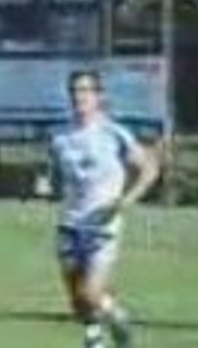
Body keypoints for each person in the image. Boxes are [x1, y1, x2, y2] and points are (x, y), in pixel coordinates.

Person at [48, 70, 159, 348]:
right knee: (77, 301)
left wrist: (125, 201)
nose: (79, 97)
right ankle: (98, 331)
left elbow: (149, 168)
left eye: (86, 91)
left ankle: (114, 323)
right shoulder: (60, 136)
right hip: (70, 224)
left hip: (103, 225)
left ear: (99, 96)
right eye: (75, 91)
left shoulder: (114, 133)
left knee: (92, 292)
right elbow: (55, 177)